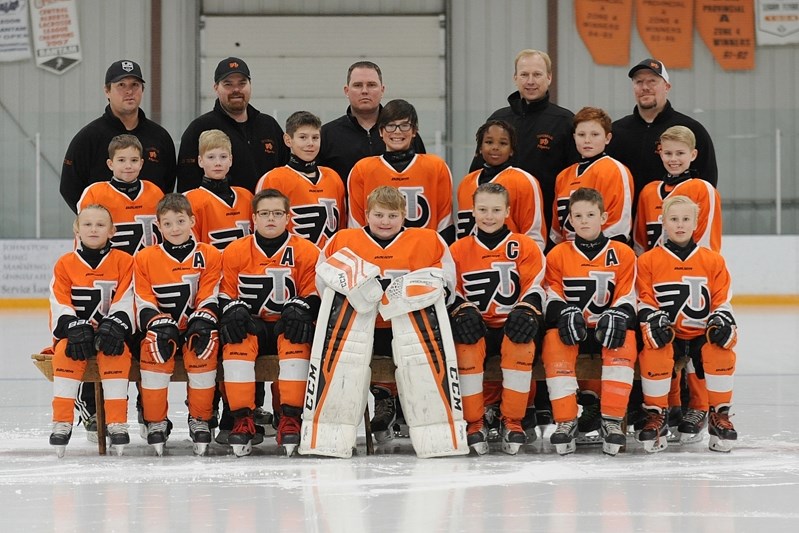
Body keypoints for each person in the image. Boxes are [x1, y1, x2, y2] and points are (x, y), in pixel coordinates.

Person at [309, 186, 465, 458]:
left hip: (412, 330)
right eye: (378, 214)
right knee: (342, 368)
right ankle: (328, 436)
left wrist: (399, 293)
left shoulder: (429, 240)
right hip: (358, 330)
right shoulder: (342, 240)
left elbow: (446, 283)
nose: (385, 221)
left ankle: (438, 435)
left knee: (421, 366)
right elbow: (324, 284)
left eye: (392, 215)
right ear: (366, 214)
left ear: (405, 215)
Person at [217, 189, 320, 457]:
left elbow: (314, 292)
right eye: (264, 213)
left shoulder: (308, 251)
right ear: (254, 218)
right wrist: (232, 308)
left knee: (296, 338)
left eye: (277, 213)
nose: (270, 219)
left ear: (288, 217)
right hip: (255, 326)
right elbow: (225, 293)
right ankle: (242, 418)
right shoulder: (235, 251)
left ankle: (290, 417)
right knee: (236, 340)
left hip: (285, 325)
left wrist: (303, 307)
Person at [449, 183, 546, 455]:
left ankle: (513, 421)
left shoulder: (525, 246)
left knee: (520, 344)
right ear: (472, 211)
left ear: (507, 211)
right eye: (482, 209)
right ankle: (474, 423)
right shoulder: (457, 250)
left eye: (495, 209)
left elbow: (536, 285)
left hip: (510, 324)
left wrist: (526, 310)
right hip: (478, 325)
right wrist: (462, 309)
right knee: (465, 349)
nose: (488, 216)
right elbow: (450, 287)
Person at [636, 195, 738, 453]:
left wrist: (721, 318)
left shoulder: (712, 260)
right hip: (669, 333)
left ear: (696, 223)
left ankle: (718, 414)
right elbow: (644, 297)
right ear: (663, 222)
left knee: (721, 347)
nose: (679, 225)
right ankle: (656, 415)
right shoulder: (648, 260)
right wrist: (652, 317)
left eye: (685, 219)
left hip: (701, 333)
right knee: (654, 349)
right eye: (673, 219)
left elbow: (721, 299)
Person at [542, 188, 638, 457]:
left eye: (591, 215)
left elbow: (628, 294)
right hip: (574, 330)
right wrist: (563, 312)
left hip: (606, 330)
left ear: (604, 217)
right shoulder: (558, 254)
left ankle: (611, 419)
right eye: (578, 216)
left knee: (624, 337)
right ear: (570, 220)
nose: (584, 221)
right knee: (553, 340)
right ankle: (565, 419)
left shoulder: (623, 253)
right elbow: (551, 293)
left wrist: (617, 314)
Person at [133, 194, 222, 456]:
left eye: (180, 221)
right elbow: (143, 298)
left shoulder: (209, 254)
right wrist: (158, 324)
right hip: (162, 329)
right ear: (158, 226)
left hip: (195, 327)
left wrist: (203, 319)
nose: (175, 229)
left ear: (192, 221)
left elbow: (210, 292)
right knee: (153, 348)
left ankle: (201, 418)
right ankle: (155, 420)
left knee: (204, 347)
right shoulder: (145, 257)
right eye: (168, 224)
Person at [48, 205, 135, 457]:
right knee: (66, 350)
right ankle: (61, 422)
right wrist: (72, 325)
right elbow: (59, 300)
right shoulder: (65, 263)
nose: (93, 229)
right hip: (78, 333)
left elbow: (127, 296)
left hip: (110, 332)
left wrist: (116, 323)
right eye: (87, 224)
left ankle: (117, 421)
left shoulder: (125, 261)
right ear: (77, 229)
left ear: (112, 231)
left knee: (116, 351)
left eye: (100, 225)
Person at [470, 49, 578, 231]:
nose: (530, 81)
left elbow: (574, 178)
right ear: (515, 78)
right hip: (496, 223)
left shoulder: (564, 122)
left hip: (545, 224)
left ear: (549, 77)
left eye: (537, 74)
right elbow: (477, 172)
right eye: (524, 74)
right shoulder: (498, 120)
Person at [60, 60, 176, 213]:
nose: (129, 91)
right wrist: (95, 222)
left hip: (148, 231)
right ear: (107, 91)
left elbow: (167, 187)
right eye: (121, 85)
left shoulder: (160, 137)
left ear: (143, 89)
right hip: (105, 233)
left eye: (135, 85)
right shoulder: (88, 137)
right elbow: (69, 187)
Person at [607, 58, 718, 203]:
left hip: (676, 221)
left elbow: (707, 180)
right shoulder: (616, 131)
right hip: (628, 221)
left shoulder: (691, 129)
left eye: (652, 81)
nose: (645, 87)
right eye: (638, 82)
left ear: (667, 87)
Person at [348, 99, 454, 244]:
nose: (397, 131)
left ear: (414, 131)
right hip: (376, 257)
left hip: (423, 255)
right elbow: (356, 227)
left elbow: (445, 224)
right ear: (380, 130)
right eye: (390, 126)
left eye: (404, 125)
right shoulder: (363, 170)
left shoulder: (436, 167)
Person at [176, 57, 288, 193]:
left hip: (266, 213)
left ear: (250, 85)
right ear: (216, 88)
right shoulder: (199, 129)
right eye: (228, 84)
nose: (236, 89)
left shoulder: (269, 126)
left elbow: (286, 174)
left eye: (242, 83)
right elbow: (187, 185)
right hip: (219, 212)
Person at [318, 61, 426, 185]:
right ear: (346, 91)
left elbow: (422, 175)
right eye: (358, 85)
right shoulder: (326, 135)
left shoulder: (404, 134)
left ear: (382, 90)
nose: (364, 91)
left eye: (371, 85)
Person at [255, 111, 346, 249]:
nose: (310, 143)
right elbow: (262, 231)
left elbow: (342, 227)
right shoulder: (273, 179)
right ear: (288, 140)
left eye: (315, 137)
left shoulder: (333, 177)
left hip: (329, 264)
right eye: (303, 137)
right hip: (292, 262)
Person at [550, 107, 634, 247]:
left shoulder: (615, 170)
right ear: (574, 136)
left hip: (601, 253)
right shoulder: (563, 176)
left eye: (595, 134)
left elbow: (618, 225)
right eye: (581, 134)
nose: (587, 140)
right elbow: (557, 229)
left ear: (607, 138)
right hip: (569, 254)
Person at [456, 120, 546, 251]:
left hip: (510, 265)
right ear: (480, 148)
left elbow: (534, 236)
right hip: (471, 266)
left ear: (511, 150)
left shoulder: (524, 181)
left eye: (503, 143)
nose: (495, 147)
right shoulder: (466, 182)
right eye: (489, 142)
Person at [634, 126, 722, 254]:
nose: (673, 159)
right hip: (654, 270)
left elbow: (707, 242)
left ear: (693, 155)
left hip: (688, 270)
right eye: (668, 153)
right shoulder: (648, 191)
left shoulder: (702, 189)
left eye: (680, 153)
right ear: (661, 154)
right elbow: (640, 242)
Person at [78, 134, 164, 255]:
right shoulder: (94, 193)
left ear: (141, 163)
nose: (128, 166)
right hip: (112, 269)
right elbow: (83, 236)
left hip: (149, 269)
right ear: (110, 164)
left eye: (134, 160)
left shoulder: (155, 192)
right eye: (121, 160)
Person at [184, 129, 254, 250]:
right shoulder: (189, 200)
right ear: (200, 161)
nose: (218, 163)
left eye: (223, 157)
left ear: (230, 160)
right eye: (211, 157)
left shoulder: (246, 196)